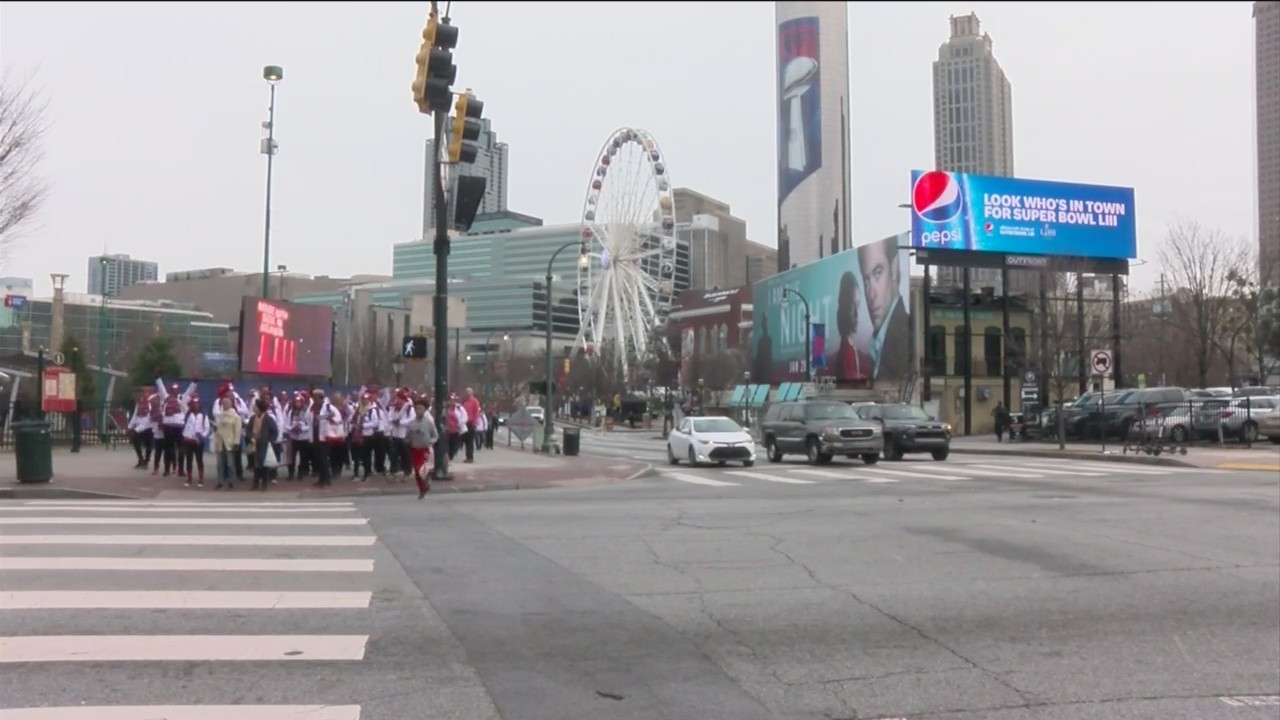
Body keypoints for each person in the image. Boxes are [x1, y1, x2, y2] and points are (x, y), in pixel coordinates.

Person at [858, 235, 910, 380]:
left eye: (877, 273)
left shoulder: (905, 336)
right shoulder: (875, 346)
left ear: (894, 268)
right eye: (866, 280)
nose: (871, 294)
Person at [406, 398, 439, 499]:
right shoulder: (411, 423)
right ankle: (422, 489)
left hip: (426, 449)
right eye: (416, 408)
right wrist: (407, 440)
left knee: (422, 470)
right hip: (415, 449)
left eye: (420, 408)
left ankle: (426, 482)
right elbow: (408, 437)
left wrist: (431, 442)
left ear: (425, 410)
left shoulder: (429, 422)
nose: (418, 410)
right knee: (417, 471)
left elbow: (435, 436)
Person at [247, 397, 280, 491]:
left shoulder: (268, 418)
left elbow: (274, 431)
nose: (254, 408)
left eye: (255, 406)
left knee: (264, 464)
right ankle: (255, 483)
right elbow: (248, 429)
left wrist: (270, 440)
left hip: (264, 444)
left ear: (260, 408)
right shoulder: (253, 418)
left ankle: (264, 484)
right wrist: (251, 437)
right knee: (256, 464)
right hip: (255, 443)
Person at [213, 395, 243, 490]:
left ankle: (231, 481)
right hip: (220, 443)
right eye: (223, 403)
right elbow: (217, 428)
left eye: (226, 403)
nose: (225, 405)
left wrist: (236, 442)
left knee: (230, 464)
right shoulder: (220, 416)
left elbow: (237, 431)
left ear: (231, 404)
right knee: (220, 464)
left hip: (229, 443)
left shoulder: (235, 416)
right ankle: (220, 481)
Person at [181, 397, 210, 487]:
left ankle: (200, 479)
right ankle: (189, 478)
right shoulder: (188, 414)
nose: (195, 405)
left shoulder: (204, 416)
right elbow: (185, 426)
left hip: (198, 441)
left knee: (199, 459)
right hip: (189, 440)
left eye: (197, 404)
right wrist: (185, 436)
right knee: (189, 459)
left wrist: (202, 436)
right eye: (194, 404)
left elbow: (207, 428)